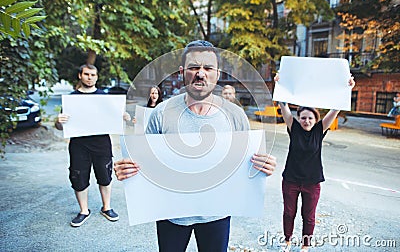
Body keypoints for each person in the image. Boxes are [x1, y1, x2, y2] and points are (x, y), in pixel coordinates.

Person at [114, 40, 277, 252]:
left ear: (217, 74)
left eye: (208, 68)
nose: (201, 73)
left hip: (217, 214)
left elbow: (248, 164)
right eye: (194, 67)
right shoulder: (161, 113)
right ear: (182, 72)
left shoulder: (235, 115)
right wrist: (127, 171)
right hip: (171, 215)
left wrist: (264, 167)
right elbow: (145, 165)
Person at [275, 74, 356, 252]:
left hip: (312, 182)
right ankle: (287, 241)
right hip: (291, 180)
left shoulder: (320, 130)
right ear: (298, 118)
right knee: (289, 213)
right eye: (303, 118)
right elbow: (283, 105)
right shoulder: (293, 127)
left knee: (308, 216)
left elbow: (335, 110)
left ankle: (305, 244)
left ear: (316, 119)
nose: (307, 121)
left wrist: (347, 88)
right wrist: (279, 84)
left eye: (310, 118)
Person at [55, 64, 119, 227]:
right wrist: (59, 122)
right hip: (78, 145)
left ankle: (107, 207)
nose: (89, 77)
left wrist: (122, 117)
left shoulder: (106, 98)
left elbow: (114, 120)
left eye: (92, 75)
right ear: (80, 76)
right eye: (86, 74)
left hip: (101, 143)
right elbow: (61, 126)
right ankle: (84, 211)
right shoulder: (71, 99)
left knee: (105, 176)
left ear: (97, 77)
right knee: (78, 177)